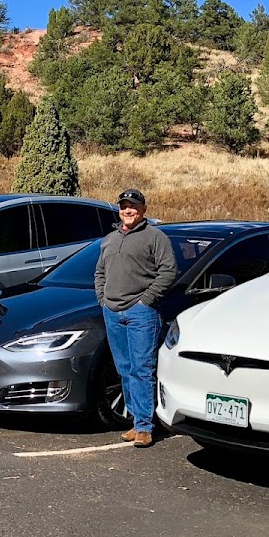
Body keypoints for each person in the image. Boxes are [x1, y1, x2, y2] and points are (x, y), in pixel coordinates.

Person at [94, 189, 177, 448]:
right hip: (112, 311)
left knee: (142, 369)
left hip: (141, 312)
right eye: (124, 206)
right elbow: (99, 272)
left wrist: (147, 299)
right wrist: (102, 298)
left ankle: (144, 426)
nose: (128, 211)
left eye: (133, 206)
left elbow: (168, 271)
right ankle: (135, 421)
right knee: (124, 368)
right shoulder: (109, 239)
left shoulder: (155, 237)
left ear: (143, 210)